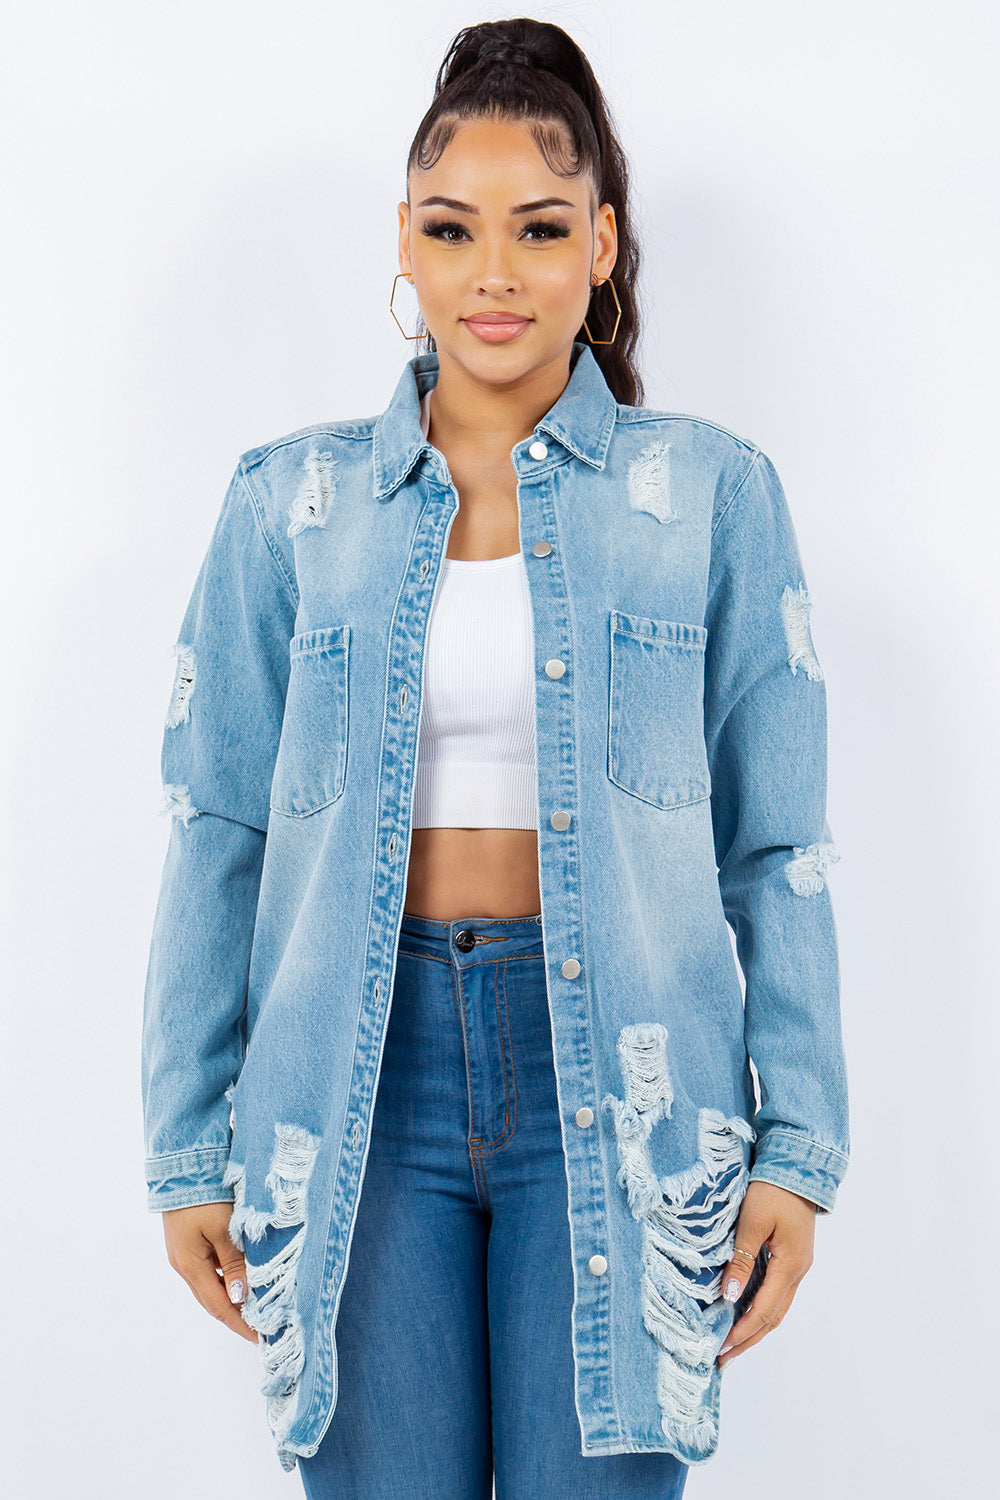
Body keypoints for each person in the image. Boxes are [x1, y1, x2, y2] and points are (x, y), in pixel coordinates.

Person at [141, 17, 850, 1499]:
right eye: (455, 231)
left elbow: (779, 848)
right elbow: (219, 828)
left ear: (601, 244)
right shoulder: (293, 506)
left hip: (630, 1085)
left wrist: (799, 1145)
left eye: (539, 230)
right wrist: (184, 1146)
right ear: (405, 243)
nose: (495, 274)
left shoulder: (710, 497)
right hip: (353, 1081)